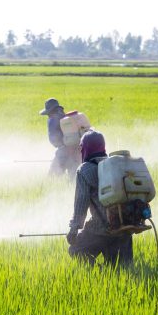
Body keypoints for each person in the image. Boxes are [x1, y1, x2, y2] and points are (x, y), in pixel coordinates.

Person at [66, 130, 133, 267]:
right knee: (123, 271)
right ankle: (106, 276)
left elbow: (81, 204)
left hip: (100, 229)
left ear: (85, 148)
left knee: (75, 250)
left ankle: (100, 272)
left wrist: (74, 229)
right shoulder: (115, 166)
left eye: (81, 148)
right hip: (125, 227)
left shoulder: (84, 170)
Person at [39, 98, 81, 178]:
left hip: (63, 151)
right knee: (73, 177)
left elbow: (54, 139)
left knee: (52, 177)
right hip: (76, 149)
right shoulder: (65, 117)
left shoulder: (52, 120)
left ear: (50, 111)